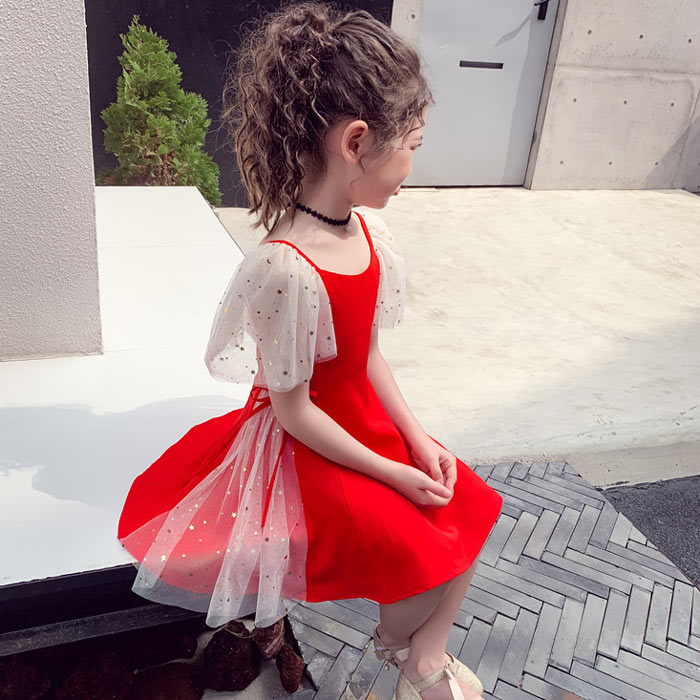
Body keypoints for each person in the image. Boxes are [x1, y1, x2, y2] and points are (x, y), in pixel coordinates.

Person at [116, 2, 503, 698]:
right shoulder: (287, 268)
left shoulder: (370, 237)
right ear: (356, 142)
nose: (414, 165)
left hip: (362, 422)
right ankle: (406, 650)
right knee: (422, 551)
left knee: (470, 504)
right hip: (307, 444)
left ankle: (422, 659)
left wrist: (417, 439)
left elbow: (367, 356)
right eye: (412, 144)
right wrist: (392, 474)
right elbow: (293, 410)